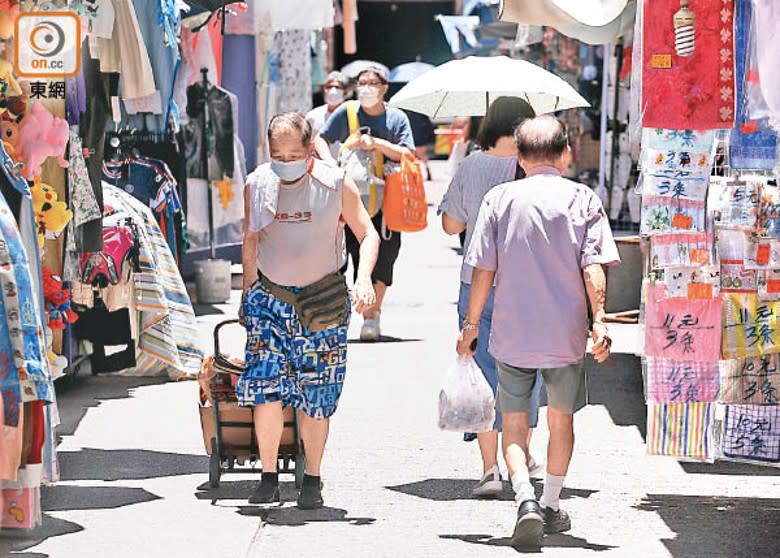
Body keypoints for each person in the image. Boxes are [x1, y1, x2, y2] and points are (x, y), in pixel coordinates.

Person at [456, 115, 619, 548]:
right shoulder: (582, 198)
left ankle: (524, 499)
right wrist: (599, 319)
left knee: (513, 422)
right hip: (565, 332)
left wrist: (470, 325)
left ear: (520, 155)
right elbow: (593, 266)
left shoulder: (500, 198)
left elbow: (482, 270)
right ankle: (549, 502)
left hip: (512, 330)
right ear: (565, 153)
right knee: (560, 419)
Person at [239, 113, 380, 509]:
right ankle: (268, 476)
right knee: (265, 389)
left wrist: (364, 279)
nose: (285, 160)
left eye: (293, 153)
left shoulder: (334, 183)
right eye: (277, 153)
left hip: (323, 302)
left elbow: (367, 234)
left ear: (310, 146)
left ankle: (313, 478)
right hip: (270, 299)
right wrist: (248, 289)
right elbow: (250, 238)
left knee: (316, 394)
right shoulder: (258, 182)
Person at [440, 97, 543, 499]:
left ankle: (489, 470)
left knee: (481, 369)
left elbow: (451, 226)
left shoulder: (471, 164)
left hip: (475, 281)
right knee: (524, 371)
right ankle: (522, 454)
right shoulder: (534, 170)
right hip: (527, 282)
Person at [315, 65, 415, 341]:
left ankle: (372, 314)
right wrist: (329, 165)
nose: (366, 88)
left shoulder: (396, 118)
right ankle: (350, 313)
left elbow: (408, 153)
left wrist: (377, 144)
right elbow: (321, 139)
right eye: (362, 83)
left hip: (387, 200)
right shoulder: (347, 112)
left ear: (384, 88)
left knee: (385, 257)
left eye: (373, 83)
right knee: (347, 257)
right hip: (349, 198)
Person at [306, 71, 352, 159]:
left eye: (337, 87)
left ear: (345, 92)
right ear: (324, 89)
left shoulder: (352, 114)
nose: (333, 91)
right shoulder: (313, 116)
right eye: (329, 87)